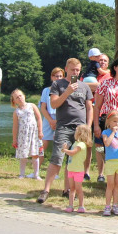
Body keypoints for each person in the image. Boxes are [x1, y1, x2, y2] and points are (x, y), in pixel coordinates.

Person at [39, 57, 94, 204]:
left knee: (75, 159)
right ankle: (46, 191)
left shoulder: (84, 87)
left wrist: (88, 126)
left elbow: (89, 107)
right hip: (64, 126)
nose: (75, 72)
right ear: (66, 69)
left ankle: (67, 189)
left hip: (81, 128)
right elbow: (54, 104)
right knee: (57, 157)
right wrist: (68, 91)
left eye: (77, 70)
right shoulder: (58, 84)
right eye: (72, 70)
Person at [11, 89, 44, 179]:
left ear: (24, 96)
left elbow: (39, 118)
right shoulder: (16, 112)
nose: (19, 98)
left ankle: (36, 174)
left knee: (35, 153)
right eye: (17, 97)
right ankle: (22, 174)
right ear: (14, 101)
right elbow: (15, 126)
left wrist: (40, 131)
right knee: (23, 154)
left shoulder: (32, 106)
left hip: (34, 133)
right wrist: (14, 139)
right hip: (23, 135)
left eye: (20, 96)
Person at [101, 110, 118, 216]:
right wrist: (113, 132)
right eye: (114, 121)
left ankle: (115, 205)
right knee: (110, 184)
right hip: (110, 161)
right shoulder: (105, 132)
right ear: (109, 122)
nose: (117, 124)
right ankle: (107, 206)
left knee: (117, 184)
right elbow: (107, 143)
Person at [61, 124, 92, 213]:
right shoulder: (76, 143)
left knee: (78, 189)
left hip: (78, 170)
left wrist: (65, 150)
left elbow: (73, 152)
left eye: (76, 131)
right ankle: (70, 205)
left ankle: (81, 206)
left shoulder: (81, 144)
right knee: (72, 188)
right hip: (71, 169)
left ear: (80, 133)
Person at [40, 67, 63, 176]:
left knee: (58, 145)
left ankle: (56, 172)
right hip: (48, 118)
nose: (57, 78)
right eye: (55, 76)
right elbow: (43, 107)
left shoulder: (65, 90)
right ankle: (37, 169)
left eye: (60, 76)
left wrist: (57, 121)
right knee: (42, 143)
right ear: (51, 77)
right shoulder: (46, 90)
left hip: (61, 118)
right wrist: (50, 120)